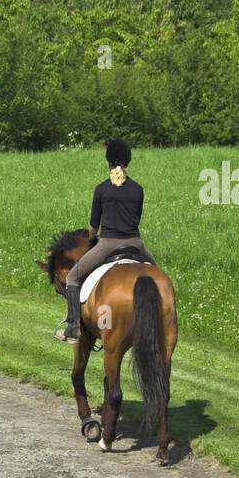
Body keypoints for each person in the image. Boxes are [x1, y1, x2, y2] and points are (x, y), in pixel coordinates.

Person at [55, 139, 157, 342]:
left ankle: (73, 329)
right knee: (160, 277)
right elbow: (136, 218)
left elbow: (94, 225)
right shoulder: (138, 189)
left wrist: (92, 241)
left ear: (108, 162)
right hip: (136, 243)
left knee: (73, 278)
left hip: (108, 244)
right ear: (128, 161)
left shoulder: (101, 189)